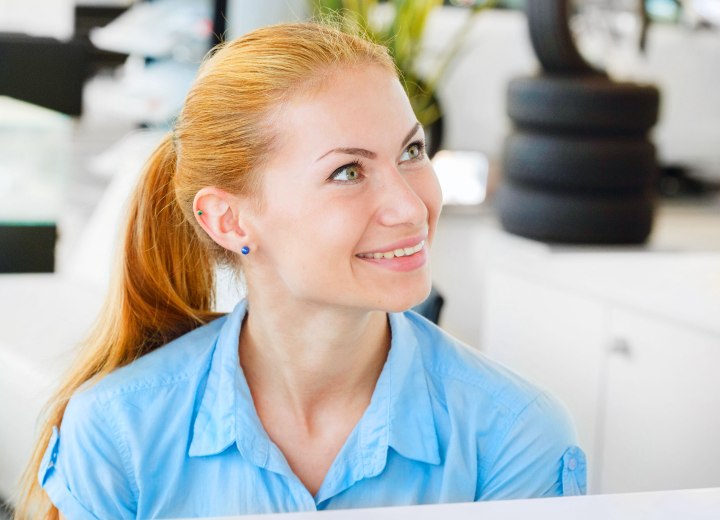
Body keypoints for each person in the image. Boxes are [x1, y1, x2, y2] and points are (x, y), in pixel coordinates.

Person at [16, 22, 586, 520]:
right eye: (347, 173)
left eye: (410, 152)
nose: (412, 208)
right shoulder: (118, 434)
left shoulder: (514, 435)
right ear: (229, 220)